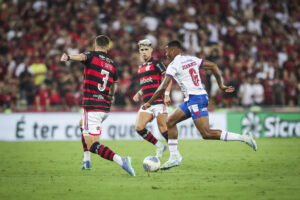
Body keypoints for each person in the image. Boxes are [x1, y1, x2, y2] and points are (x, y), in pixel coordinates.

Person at [142, 40, 257, 170]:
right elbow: (213, 66)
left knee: (206, 133)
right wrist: (220, 85)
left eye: (167, 50)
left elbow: (163, 87)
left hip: (196, 99)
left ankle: (244, 138)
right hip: (193, 98)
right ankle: (175, 157)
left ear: (174, 50)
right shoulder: (192, 59)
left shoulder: (173, 65)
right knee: (170, 122)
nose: (165, 54)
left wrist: (149, 102)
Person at [60, 35, 135, 176]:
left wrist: (68, 57)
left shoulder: (91, 55)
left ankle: (122, 161)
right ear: (108, 47)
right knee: (82, 124)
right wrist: (110, 97)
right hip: (105, 107)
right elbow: (113, 85)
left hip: (92, 106)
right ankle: (86, 161)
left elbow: (81, 57)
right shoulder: (113, 64)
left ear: (95, 45)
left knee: (93, 145)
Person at [132, 39, 171, 159]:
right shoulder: (140, 67)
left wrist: (167, 93)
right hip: (147, 103)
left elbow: (167, 78)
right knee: (139, 127)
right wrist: (139, 92)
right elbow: (147, 83)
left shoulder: (157, 63)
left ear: (151, 50)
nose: (144, 52)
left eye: (146, 49)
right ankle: (159, 146)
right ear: (139, 51)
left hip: (158, 101)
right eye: (142, 50)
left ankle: (175, 153)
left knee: (163, 128)